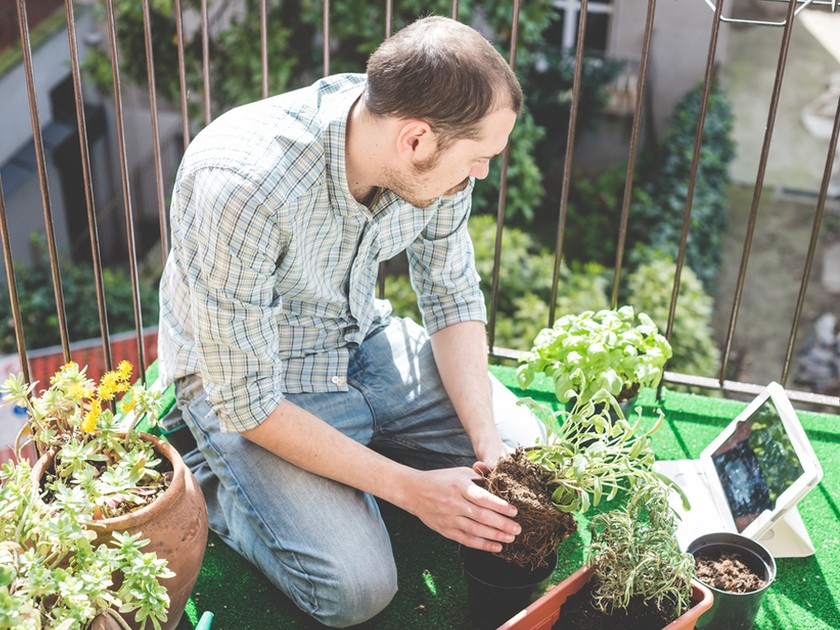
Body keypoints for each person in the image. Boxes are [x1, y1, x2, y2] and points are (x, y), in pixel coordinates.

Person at [157, 16, 545, 627]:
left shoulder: (434, 159)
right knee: (356, 592)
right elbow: (248, 401)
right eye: (479, 159)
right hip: (258, 386)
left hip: (362, 339)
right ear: (415, 140)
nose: (483, 174)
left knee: (528, 461)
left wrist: (487, 447)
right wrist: (412, 492)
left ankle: (362, 466)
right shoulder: (241, 184)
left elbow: (452, 297)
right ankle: (216, 485)